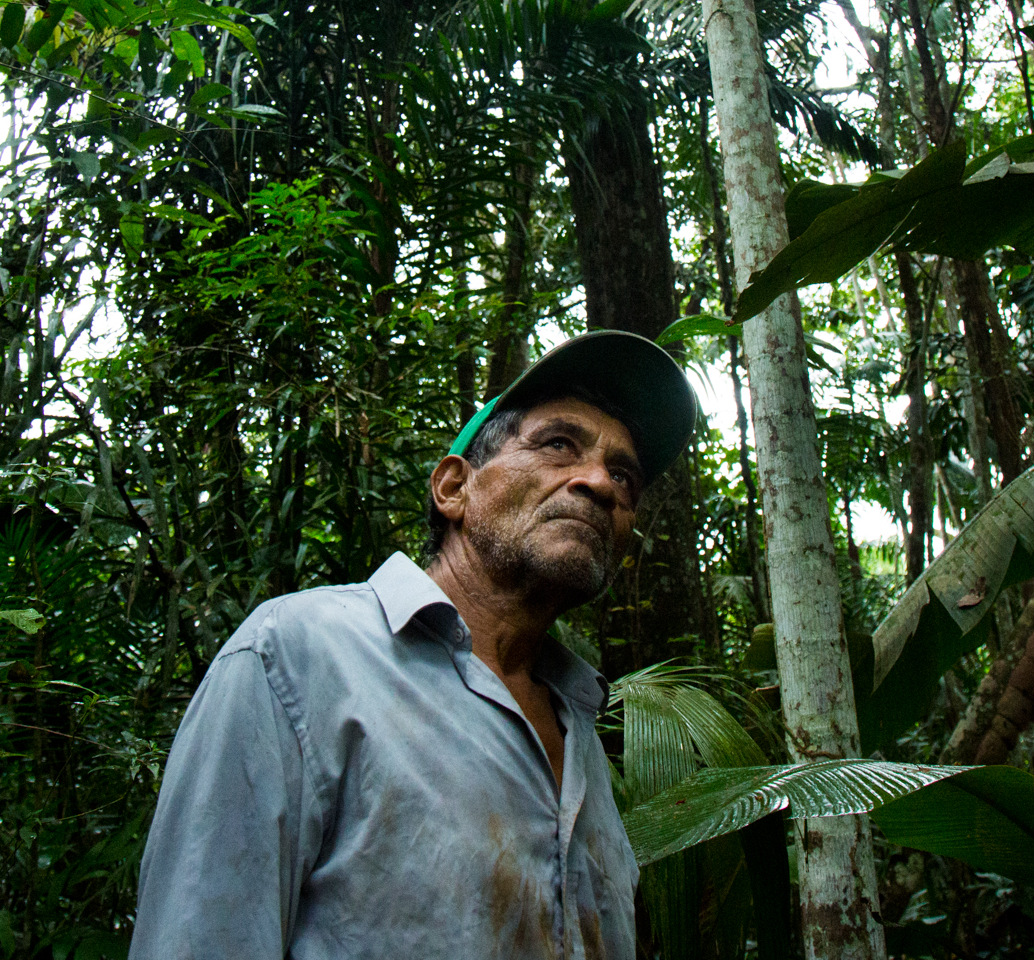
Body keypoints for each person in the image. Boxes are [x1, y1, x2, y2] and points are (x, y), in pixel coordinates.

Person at [126, 330, 699, 959]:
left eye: (625, 478)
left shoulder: (581, 721)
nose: (599, 484)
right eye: (559, 444)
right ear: (454, 488)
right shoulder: (297, 656)